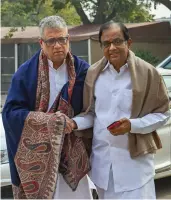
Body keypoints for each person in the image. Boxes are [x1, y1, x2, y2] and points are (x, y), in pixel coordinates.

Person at [72, 21, 170, 199]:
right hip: (102, 167)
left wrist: (132, 125)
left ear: (128, 43)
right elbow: (92, 114)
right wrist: (72, 123)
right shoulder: (94, 74)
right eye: (106, 43)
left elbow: (163, 113)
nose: (112, 48)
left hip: (134, 168)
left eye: (117, 41)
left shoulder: (147, 73)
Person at [2, 16, 93, 199]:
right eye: (51, 40)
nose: (58, 45)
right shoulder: (26, 73)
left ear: (69, 40)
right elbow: (10, 113)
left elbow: (95, 112)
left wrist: (73, 123)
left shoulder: (84, 71)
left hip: (71, 158)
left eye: (62, 39)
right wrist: (49, 122)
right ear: (41, 43)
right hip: (37, 161)